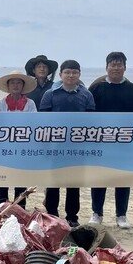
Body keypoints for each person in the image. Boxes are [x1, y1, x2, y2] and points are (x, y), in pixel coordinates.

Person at [88, 51, 133, 228]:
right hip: (100, 140)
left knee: (122, 178)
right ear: (106, 67)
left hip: (124, 142)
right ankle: (96, 212)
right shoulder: (96, 88)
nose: (116, 67)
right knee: (99, 177)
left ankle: (121, 215)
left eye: (119, 64)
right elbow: (87, 114)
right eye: (112, 64)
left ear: (125, 68)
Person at [39, 60, 96, 227]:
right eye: (67, 72)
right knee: (53, 182)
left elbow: (91, 121)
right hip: (55, 146)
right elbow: (43, 121)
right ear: (60, 74)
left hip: (77, 147)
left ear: (79, 74)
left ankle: (72, 216)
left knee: (73, 183)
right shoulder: (50, 94)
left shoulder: (86, 95)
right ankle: (51, 214)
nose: (71, 75)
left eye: (74, 72)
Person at [0, 70, 36, 208]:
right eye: (12, 82)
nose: (16, 85)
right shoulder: (0, 103)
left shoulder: (30, 103)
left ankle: (20, 207)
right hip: (4, 146)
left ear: (23, 86)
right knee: (1, 178)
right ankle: (1, 207)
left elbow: (34, 123)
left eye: (19, 83)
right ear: (8, 85)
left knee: (20, 178)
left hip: (22, 146)